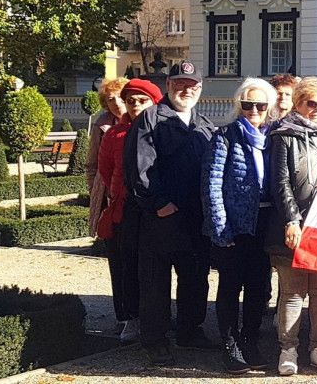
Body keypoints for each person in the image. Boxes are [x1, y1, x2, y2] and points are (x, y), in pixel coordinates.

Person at [125, 61, 218, 366]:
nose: (185, 90)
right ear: (168, 85)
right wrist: (158, 204)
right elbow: (140, 169)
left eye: (191, 85)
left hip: (195, 217)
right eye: (179, 84)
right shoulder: (150, 119)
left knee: (195, 277)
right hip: (162, 218)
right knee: (155, 282)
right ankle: (154, 339)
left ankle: (190, 330)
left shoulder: (205, 124)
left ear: (200, 89)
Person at [266, 77, 317, 376]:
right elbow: (281, 182)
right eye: (311, 103)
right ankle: (288, 349)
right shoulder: (283, 135)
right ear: (297, 103)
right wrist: (291, 220)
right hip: (294, 222)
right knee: (293, 292)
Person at [202, 77, 277, 373]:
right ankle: (230, 343)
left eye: (260, 105)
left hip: (265, 222)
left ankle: (250, 338)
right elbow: (211, 185)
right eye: (248, 104)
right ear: (239, 105)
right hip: (235, 225)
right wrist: (220, 227)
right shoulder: (225, 136)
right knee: (231, 285)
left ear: (268, 106)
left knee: (259, 286)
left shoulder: (273, 135)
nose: (254, 110)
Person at [96, 78, 159, 346]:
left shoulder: (163, 129)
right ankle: (132, 316)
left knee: (155, 269)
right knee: (128, 267)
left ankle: (158, 318)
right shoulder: (114, 134)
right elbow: (105, 170)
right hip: (126, 209)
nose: (134, 105)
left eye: (141, 100)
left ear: (153, 102)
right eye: (130, 100)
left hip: (157, 209)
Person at [88, 78, 128, 240]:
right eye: (110, 99)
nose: (116, 103)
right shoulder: (101, 125)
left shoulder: (144, 122)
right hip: (107, 194)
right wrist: (94, 190)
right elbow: (91, 164)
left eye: (120, 97)